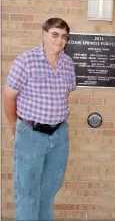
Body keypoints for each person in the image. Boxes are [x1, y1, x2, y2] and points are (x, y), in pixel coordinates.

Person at [3, 18, 76, 220]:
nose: (59, 40)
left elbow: (65, 92)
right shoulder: (25, 61)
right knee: (27, 191)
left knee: (49, 189)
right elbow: (9, 95)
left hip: (59, 136)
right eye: (55, 34)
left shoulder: (68, 63)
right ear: (43, 34)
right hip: (31, 135)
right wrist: (13, 125)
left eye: (64, 37)